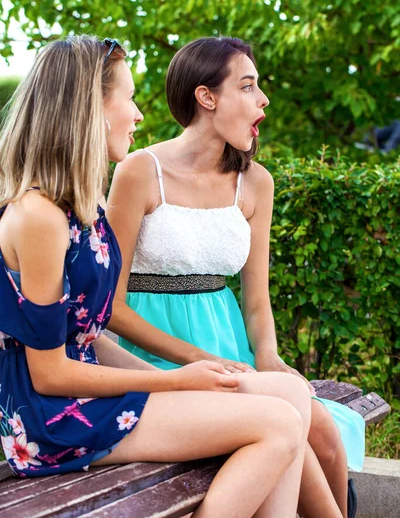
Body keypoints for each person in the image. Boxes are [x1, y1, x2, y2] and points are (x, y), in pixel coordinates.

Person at [0, 35, 312, 518]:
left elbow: (85, 333)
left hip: (90, 401)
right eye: (128, 98)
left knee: (290, 396)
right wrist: (174, 381)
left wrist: (177, 380)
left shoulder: (83, 207)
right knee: (278, 424)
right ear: (90, 110)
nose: (140, 115)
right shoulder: (37, 216)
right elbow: (49, 373)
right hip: (55, 422)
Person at [107, 36, 365, 518]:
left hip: (229, 349)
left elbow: (255, 301)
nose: (263, 99)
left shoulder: (255, 181)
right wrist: (198, 360)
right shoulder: (142, 171)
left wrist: (267, 356)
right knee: (302, 441)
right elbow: (112, 307)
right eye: (248, 87)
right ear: (207, 97)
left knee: (327, 437)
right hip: (155, 355)